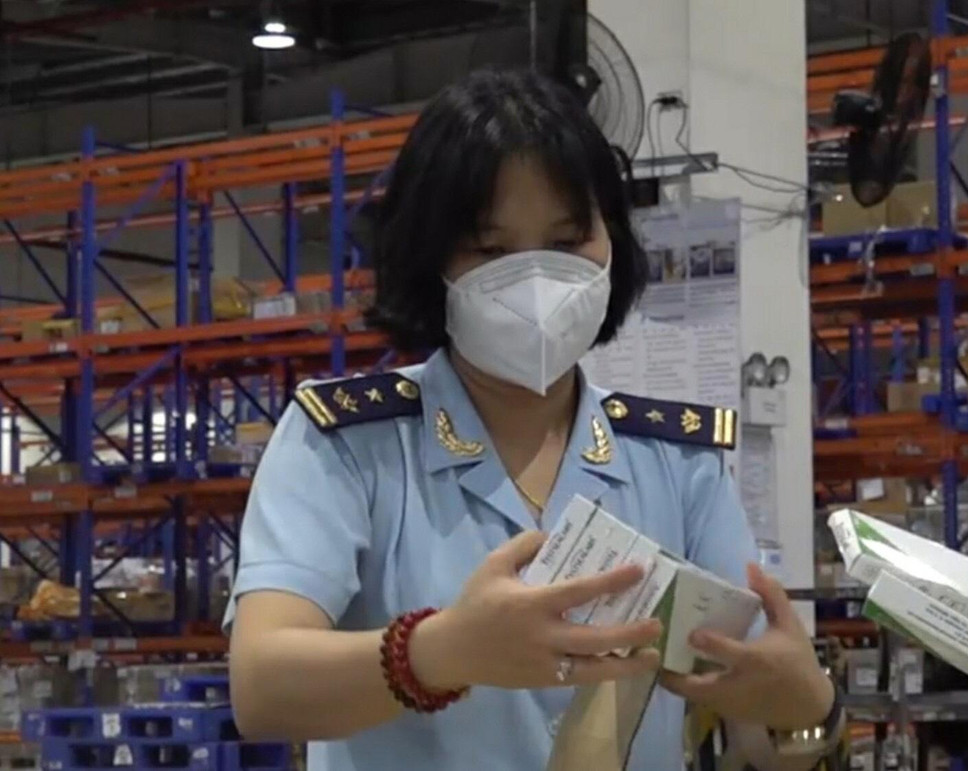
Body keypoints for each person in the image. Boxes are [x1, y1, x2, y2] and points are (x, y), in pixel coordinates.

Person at [226, 69, 842, 770]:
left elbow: (755, 711)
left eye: (568, 240)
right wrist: (442, 651)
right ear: (429, 256)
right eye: (491, 251)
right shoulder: (344, 444)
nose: (538, 279)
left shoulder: (677, 460)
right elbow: (262, 686)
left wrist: (808, 707)